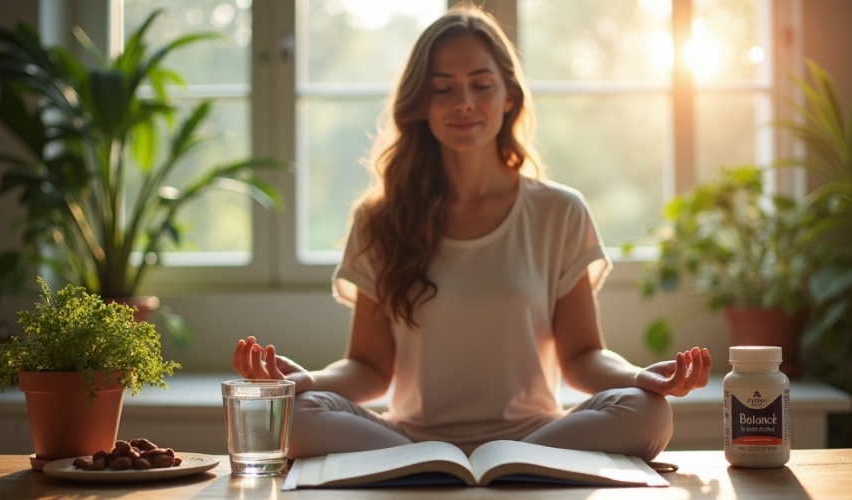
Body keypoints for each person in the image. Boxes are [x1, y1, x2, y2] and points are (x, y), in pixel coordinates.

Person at [233, 2, 712, 461]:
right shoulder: (379, 220)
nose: (463, 103)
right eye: (443, 89)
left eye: (481, 84)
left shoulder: (559, 211)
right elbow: (371, 370)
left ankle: (483, 465)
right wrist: (308, 382)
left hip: (538, 434)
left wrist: (639, 377)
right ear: (421, 103)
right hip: (410, 438)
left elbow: (582, 357)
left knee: (648, 412)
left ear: (509, 97)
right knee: (292, 414)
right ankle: (449, 465)